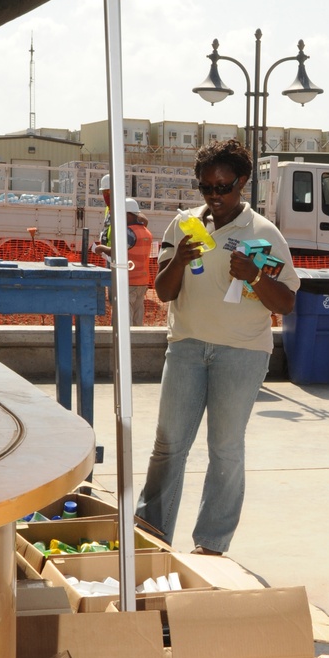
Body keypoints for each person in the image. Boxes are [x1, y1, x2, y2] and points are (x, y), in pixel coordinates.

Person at [136, 138, 298, 555]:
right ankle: (151, 535)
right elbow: (163, 291)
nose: (214, 196)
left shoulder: (263, 233)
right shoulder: (184, 226)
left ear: (242, 182)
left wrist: (255, 276)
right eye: (206, 187)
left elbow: (287, 302)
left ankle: (211, 544)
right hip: (187, 347)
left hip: (242, 353)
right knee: (168, 445)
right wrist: (179, 259)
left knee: (225, 449)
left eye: (223, 186)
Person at [98, 173, 153, 326]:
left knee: (124, 307)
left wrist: (128, 238)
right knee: (118, 300)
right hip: (114, 259)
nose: (107, 196)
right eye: (105, 192)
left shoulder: (125, 206)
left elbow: (142, 221)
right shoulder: (109, 209)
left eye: (109, 192)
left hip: (122, 263)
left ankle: (124, 335)